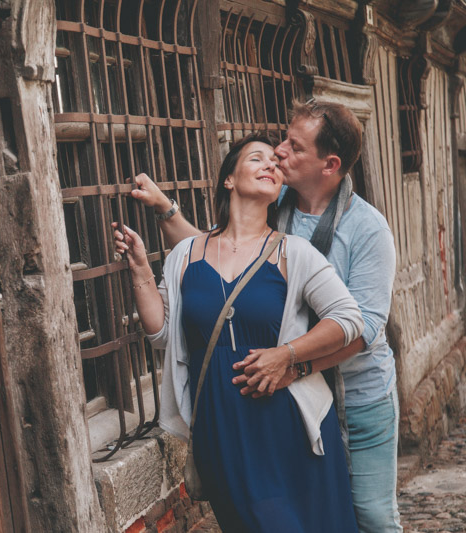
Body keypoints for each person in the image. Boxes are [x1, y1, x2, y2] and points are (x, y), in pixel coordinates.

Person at [132, 101, 400, 532]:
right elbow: (220, 256)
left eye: (294, 147)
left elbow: (363, 327)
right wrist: (167, 211)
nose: (279, 152)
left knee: (370, 516)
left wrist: (292, 361)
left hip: (358, 394)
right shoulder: (279, 208)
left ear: (328, 165)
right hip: (286, 395)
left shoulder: (367, 230)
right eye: (281, 141)